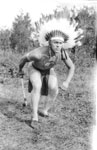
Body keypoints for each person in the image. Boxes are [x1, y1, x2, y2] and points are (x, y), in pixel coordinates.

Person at [18, 18, 83, 126]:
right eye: (55, 42)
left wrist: (66, 82)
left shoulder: (62, 53)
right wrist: (20, 70)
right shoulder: (38, 53)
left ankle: (44, 110)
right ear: (49, 43)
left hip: (48, 69)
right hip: (35, 68)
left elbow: (71, 67)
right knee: (37, 86)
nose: (58, 45)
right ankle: (34, 117)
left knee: (54, 89)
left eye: (61, 43)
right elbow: (23, 58)